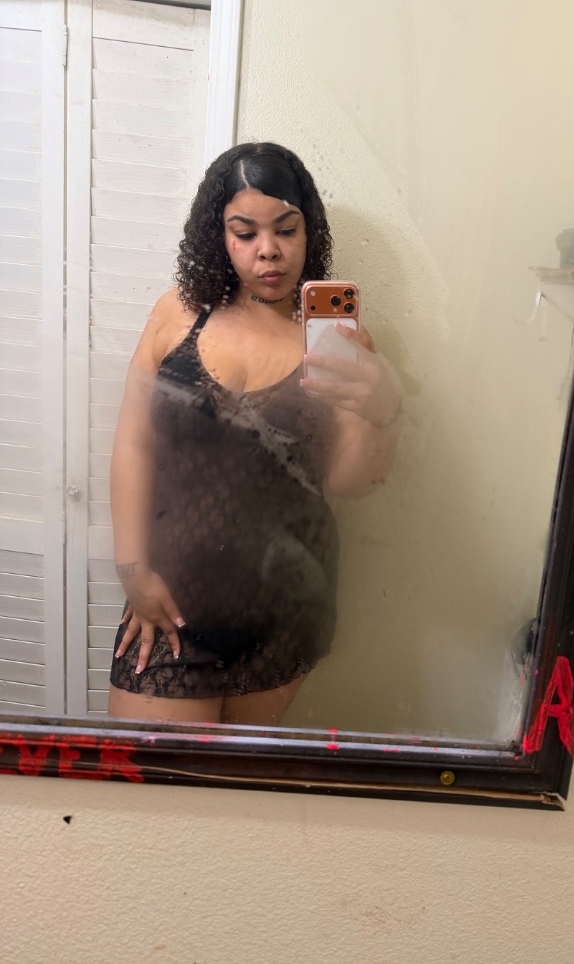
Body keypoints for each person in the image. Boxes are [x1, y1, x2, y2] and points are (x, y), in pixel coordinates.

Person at [107, 142, 401, 726]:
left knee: (238, 785)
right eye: (245, 233)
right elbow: (134, 443)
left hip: (285, 613)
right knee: (153, 780)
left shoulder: (339, 342)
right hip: (170, 607)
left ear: (309, 232)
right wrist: (132, 570)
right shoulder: (178, 315)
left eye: (286, 230)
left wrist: (383, 412)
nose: (268, 249)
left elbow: (350, 482)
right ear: (218, 236)